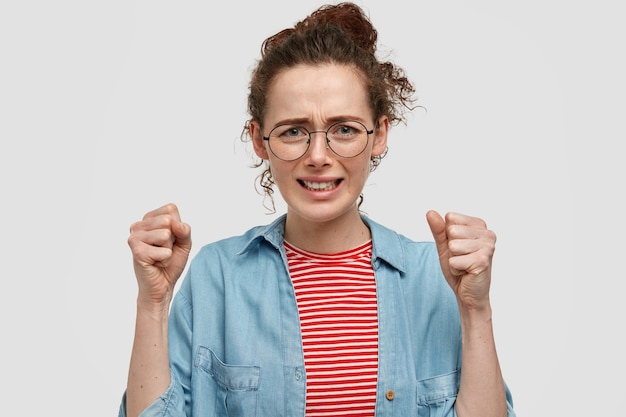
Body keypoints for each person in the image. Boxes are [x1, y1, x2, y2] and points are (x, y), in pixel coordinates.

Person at [119, 2, 516, 416]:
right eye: (294, 131)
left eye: (344, 129)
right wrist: (152, 304)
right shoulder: (217, 277)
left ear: (379, 133)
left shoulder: (434, 278)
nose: (319, 156)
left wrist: (475, 310)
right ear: (259, 139)